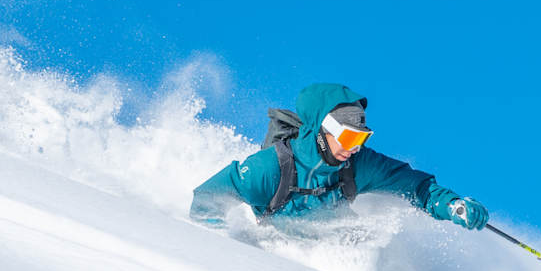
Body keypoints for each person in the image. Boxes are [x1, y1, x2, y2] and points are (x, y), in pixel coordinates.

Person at [189, 83, 489, 231]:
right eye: (348, 137)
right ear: (323, 131)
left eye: (361, 139)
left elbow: (415, 187)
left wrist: (452, 204)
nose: (354, 148)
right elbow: (207, 199)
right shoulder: (271, 168)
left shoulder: (358, 166)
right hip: (273, 257)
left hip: (331, 247)